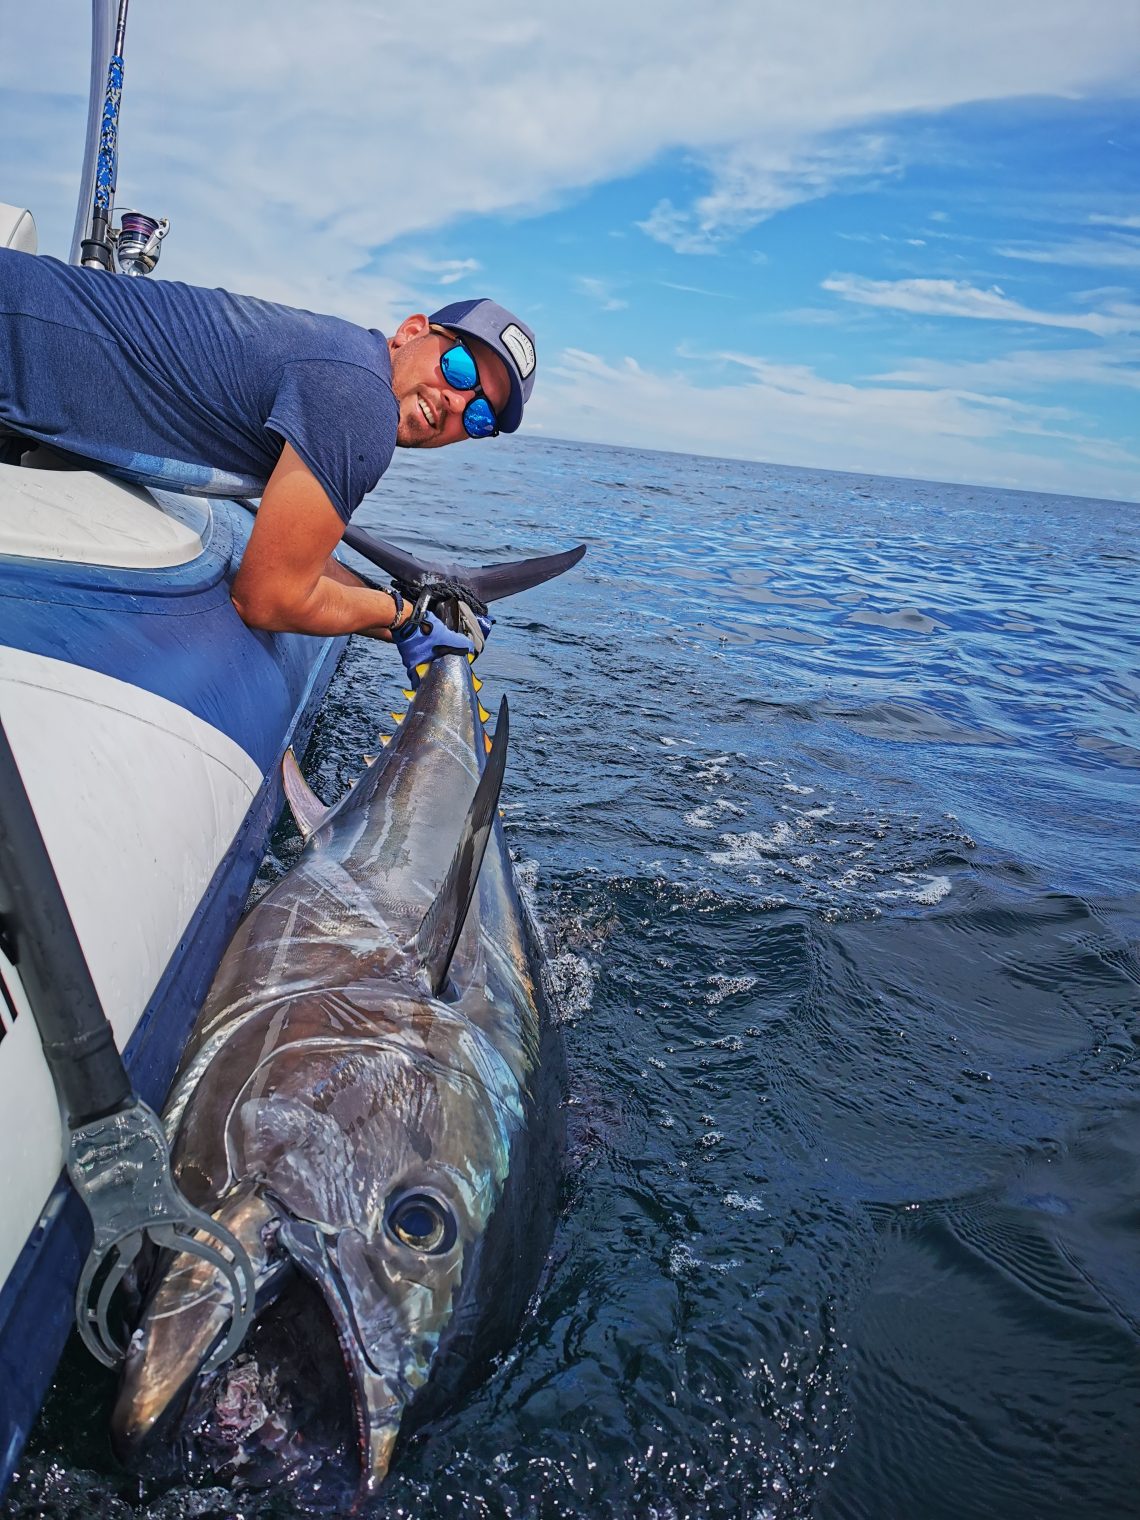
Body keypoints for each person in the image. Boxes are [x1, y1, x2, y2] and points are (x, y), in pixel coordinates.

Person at [0, 246, 537, 679]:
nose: (458, 402)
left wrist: (404, 613)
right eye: (462, 368)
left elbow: (300, 560)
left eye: (482, 416)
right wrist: (402, 616)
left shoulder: (344, 361)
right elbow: (268, 598)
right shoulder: (360, 397)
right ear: (412, 331)